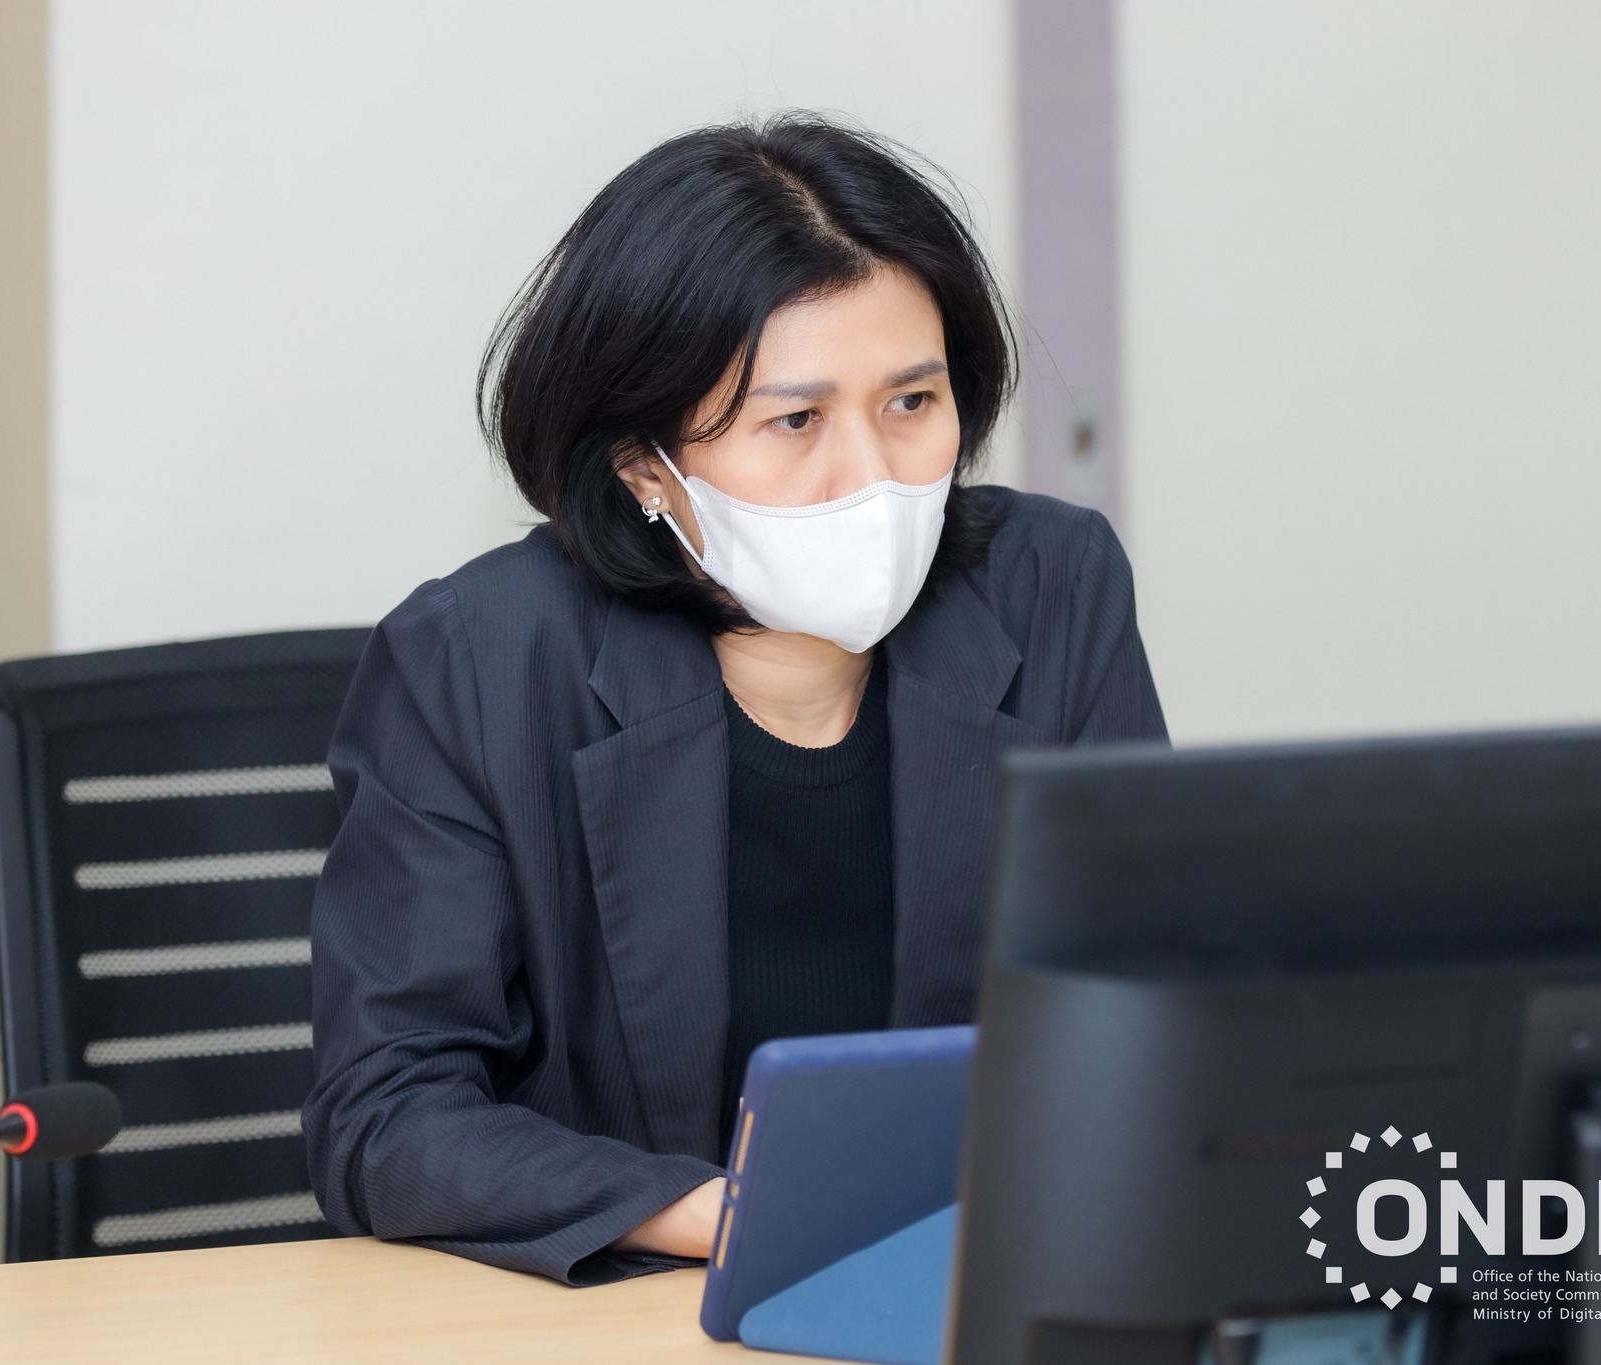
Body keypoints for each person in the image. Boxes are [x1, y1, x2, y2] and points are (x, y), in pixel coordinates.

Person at [303, 113, 1167, 1286]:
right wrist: (738, 1218)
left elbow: (1145, 1012)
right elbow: (387, 1113)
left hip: (971, 1297)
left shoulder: (1052, 586)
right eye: (795, 421)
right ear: (644, 469)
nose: (870, 477)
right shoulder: (477, 660)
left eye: (912, 403)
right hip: (627, 1313)